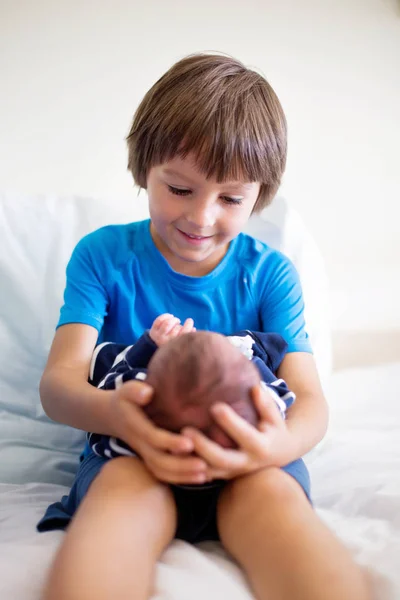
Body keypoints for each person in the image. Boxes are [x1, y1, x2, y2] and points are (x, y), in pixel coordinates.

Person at [39, 53, 371, 600]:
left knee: (276, 503)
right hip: (133, 456)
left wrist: (269, 449)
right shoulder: (102, 257)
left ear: (259, 196)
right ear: (144, 168)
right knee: (120, 500)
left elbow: (311, 402)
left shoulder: (269, 275)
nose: (201, 217)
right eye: (180, 189)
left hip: (251, 464)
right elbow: (60, 385)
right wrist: (115, 411)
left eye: (231, 199)